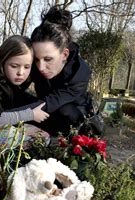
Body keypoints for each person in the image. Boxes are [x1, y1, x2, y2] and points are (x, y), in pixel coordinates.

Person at [27, 5, 93, 136]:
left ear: (65, 54)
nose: (40, 67)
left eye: (48, 59)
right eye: (36, 59)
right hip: (45, 113)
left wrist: (10, 116)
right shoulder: (36, 61)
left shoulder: (79, 72)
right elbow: (6, 77)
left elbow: (51, 103)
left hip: (73, 120)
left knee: (65, 111)